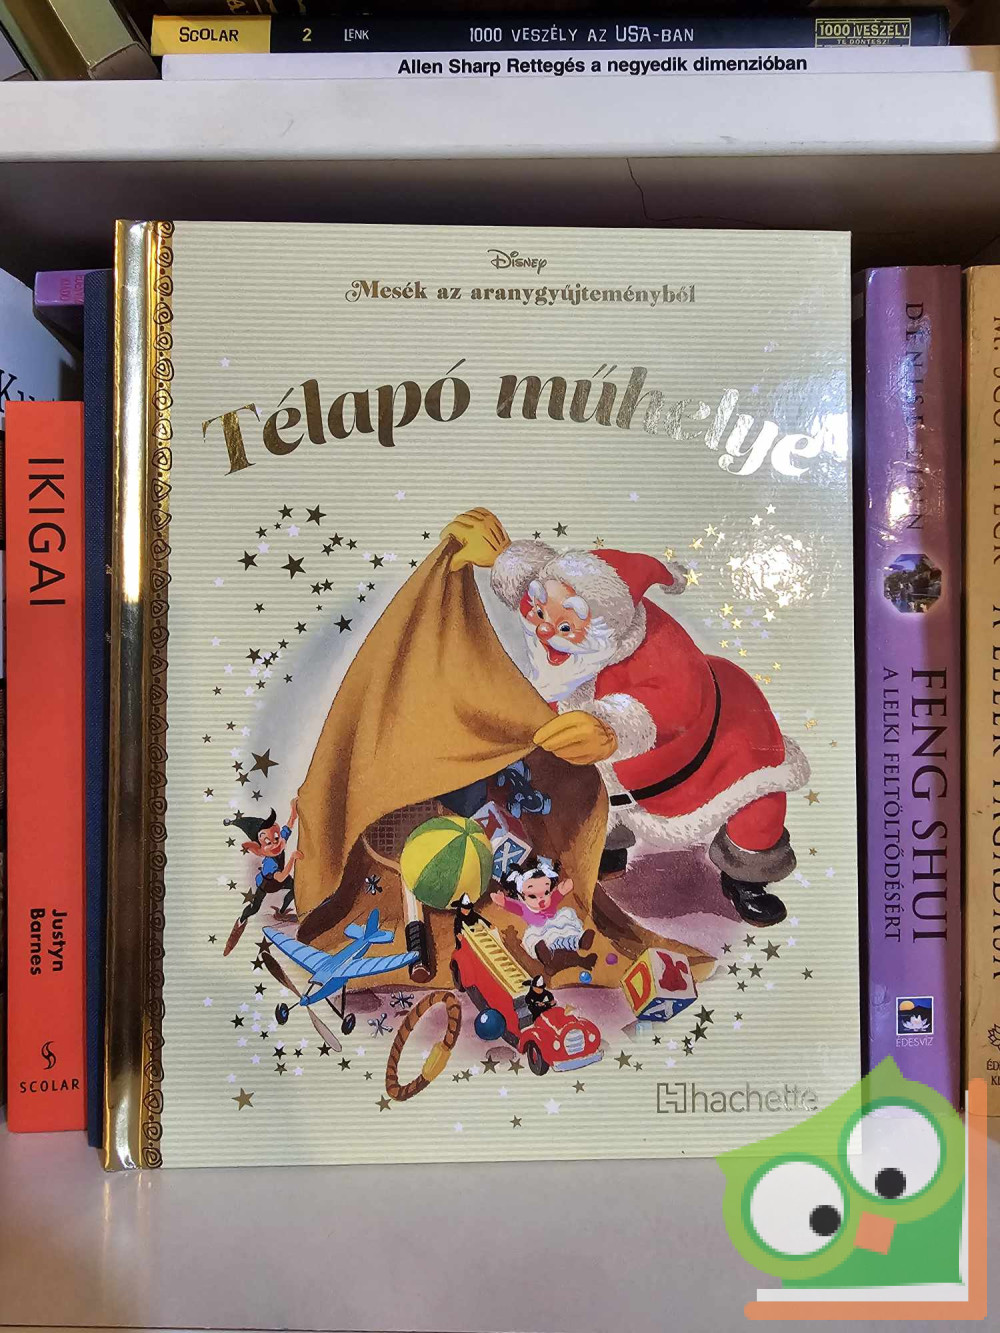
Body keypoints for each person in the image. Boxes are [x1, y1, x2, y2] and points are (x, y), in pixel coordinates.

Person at [440, 507, 811, 928]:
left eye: (565, 627)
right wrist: (504, 557)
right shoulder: (554, 607)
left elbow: (678, 702)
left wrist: (612, 726)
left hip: (699, 756)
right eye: (540, 614)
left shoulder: (662, 649)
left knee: (756, 804)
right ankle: (607, 846)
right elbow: (536, 593)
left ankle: (747, 878)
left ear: (603, 624)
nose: (545, 631)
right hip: (605, 760)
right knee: (586, 787)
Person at [491, 854, 597, 973]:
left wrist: (564, 889)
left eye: (546, 893)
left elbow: (558, 894)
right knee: (538, 942)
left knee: (565, 933)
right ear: (521, 897)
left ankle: (580, 942)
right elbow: (512, 906)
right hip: (540, 932)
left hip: (558, 926)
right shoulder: (523, 908)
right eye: (533, 896)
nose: (541, 899)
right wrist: (503, 901)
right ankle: (547, 959)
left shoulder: (550, 901)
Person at [223, 799, 301, 923]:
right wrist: (292, 858)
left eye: (276, 838)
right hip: (267, 885)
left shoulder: (280, 841)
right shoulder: (269, 863)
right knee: (254, 908)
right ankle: (241, 920)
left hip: (280, 880)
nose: (275, 844)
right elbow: (280, 877)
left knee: (296, 888)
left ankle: (281, 913)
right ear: (258, 849)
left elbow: (289, 825)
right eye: (268, 843)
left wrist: (293, 810)